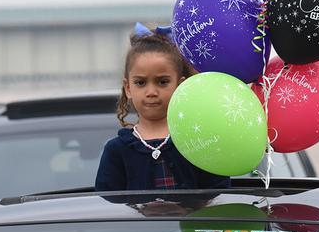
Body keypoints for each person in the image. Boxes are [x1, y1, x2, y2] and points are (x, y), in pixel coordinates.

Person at [95, 32, 231, 191]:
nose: (151, 91)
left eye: (162, 82)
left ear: (180, 86)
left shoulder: (200, 142)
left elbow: (219, 198)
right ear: (128, 88)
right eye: (140, 83)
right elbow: (107, 207)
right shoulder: (116, 150)